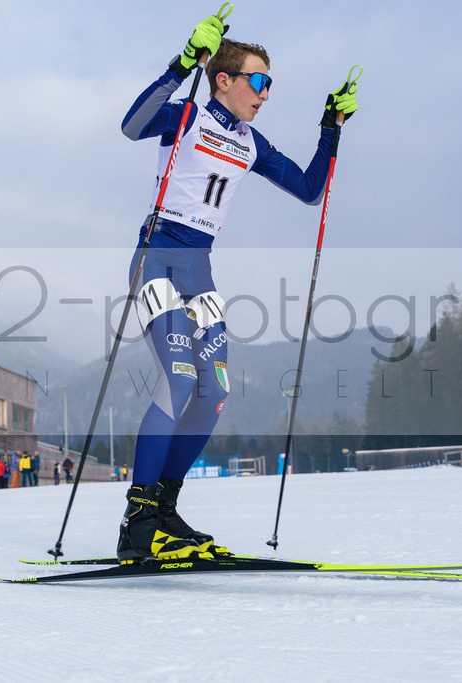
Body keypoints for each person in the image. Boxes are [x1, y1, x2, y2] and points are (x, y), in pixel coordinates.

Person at [113, 15, 358, 563]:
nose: (265, 94)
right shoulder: (187, 114)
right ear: (224, 79)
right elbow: (132, 126)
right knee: (178, 379)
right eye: (258, 81)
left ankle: (164, 511)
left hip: (199, 270)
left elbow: (309, 190)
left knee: (213, 393)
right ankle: (137, 522)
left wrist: (330, 126)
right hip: (157, 257)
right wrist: (182, 65)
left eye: (270, 84)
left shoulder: (251, 142)